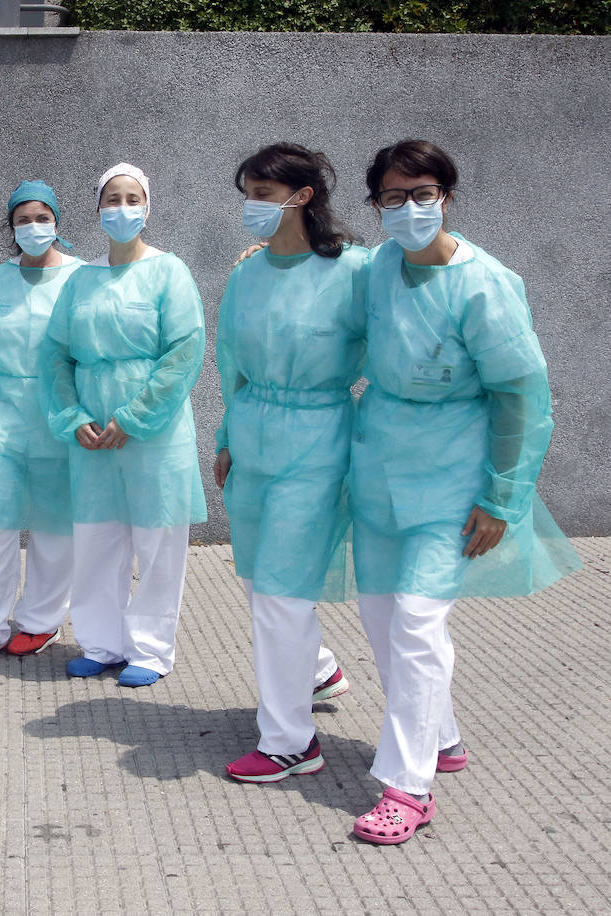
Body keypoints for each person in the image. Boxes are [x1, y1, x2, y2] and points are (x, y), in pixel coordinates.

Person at [347, 140, 580, 844]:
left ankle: (408, 787)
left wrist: (503, 497)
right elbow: (328, 296)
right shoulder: (380, 267)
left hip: (454, 473)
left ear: (447, 195)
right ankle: (441, 735)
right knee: (382, 617)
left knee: (418, 620)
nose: (410, 208)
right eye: (393, 197)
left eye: (423, 193)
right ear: (377, 207)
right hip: (380, 462)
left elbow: (522, 395)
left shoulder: (485, 283)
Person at [213, 144, 366, 785]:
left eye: (263, 194)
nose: (251, 207)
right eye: (246, 193)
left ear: (303, 196)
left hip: (318, 439)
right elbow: (232, 367)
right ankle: (317, 667)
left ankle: (289, 741)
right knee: (260, 582)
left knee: (279, 591)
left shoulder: (356, 271)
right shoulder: (245, 275)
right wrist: (224, 437)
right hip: (253, 439)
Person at [41, 163, 206, 687]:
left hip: (154, 436)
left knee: (157, 546)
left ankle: (152, 651)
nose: (122, 209)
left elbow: (183, 352)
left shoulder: (169, 271)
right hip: (92, 433)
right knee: (96, 541)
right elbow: (56, 355)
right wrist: (74, 417)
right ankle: (101, 642)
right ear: (97, 210)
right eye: (111, 199)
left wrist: (135, 417)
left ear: (148, 206)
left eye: (132, 198)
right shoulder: (80, 280)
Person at [0, 180, 82, 664]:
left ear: (57, 221)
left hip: (57, 411)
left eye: (42, 217)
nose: (34, 227)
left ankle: (40, 621)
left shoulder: (79, 276)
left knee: (54, 525)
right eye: (23, 219)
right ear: (11, 226)